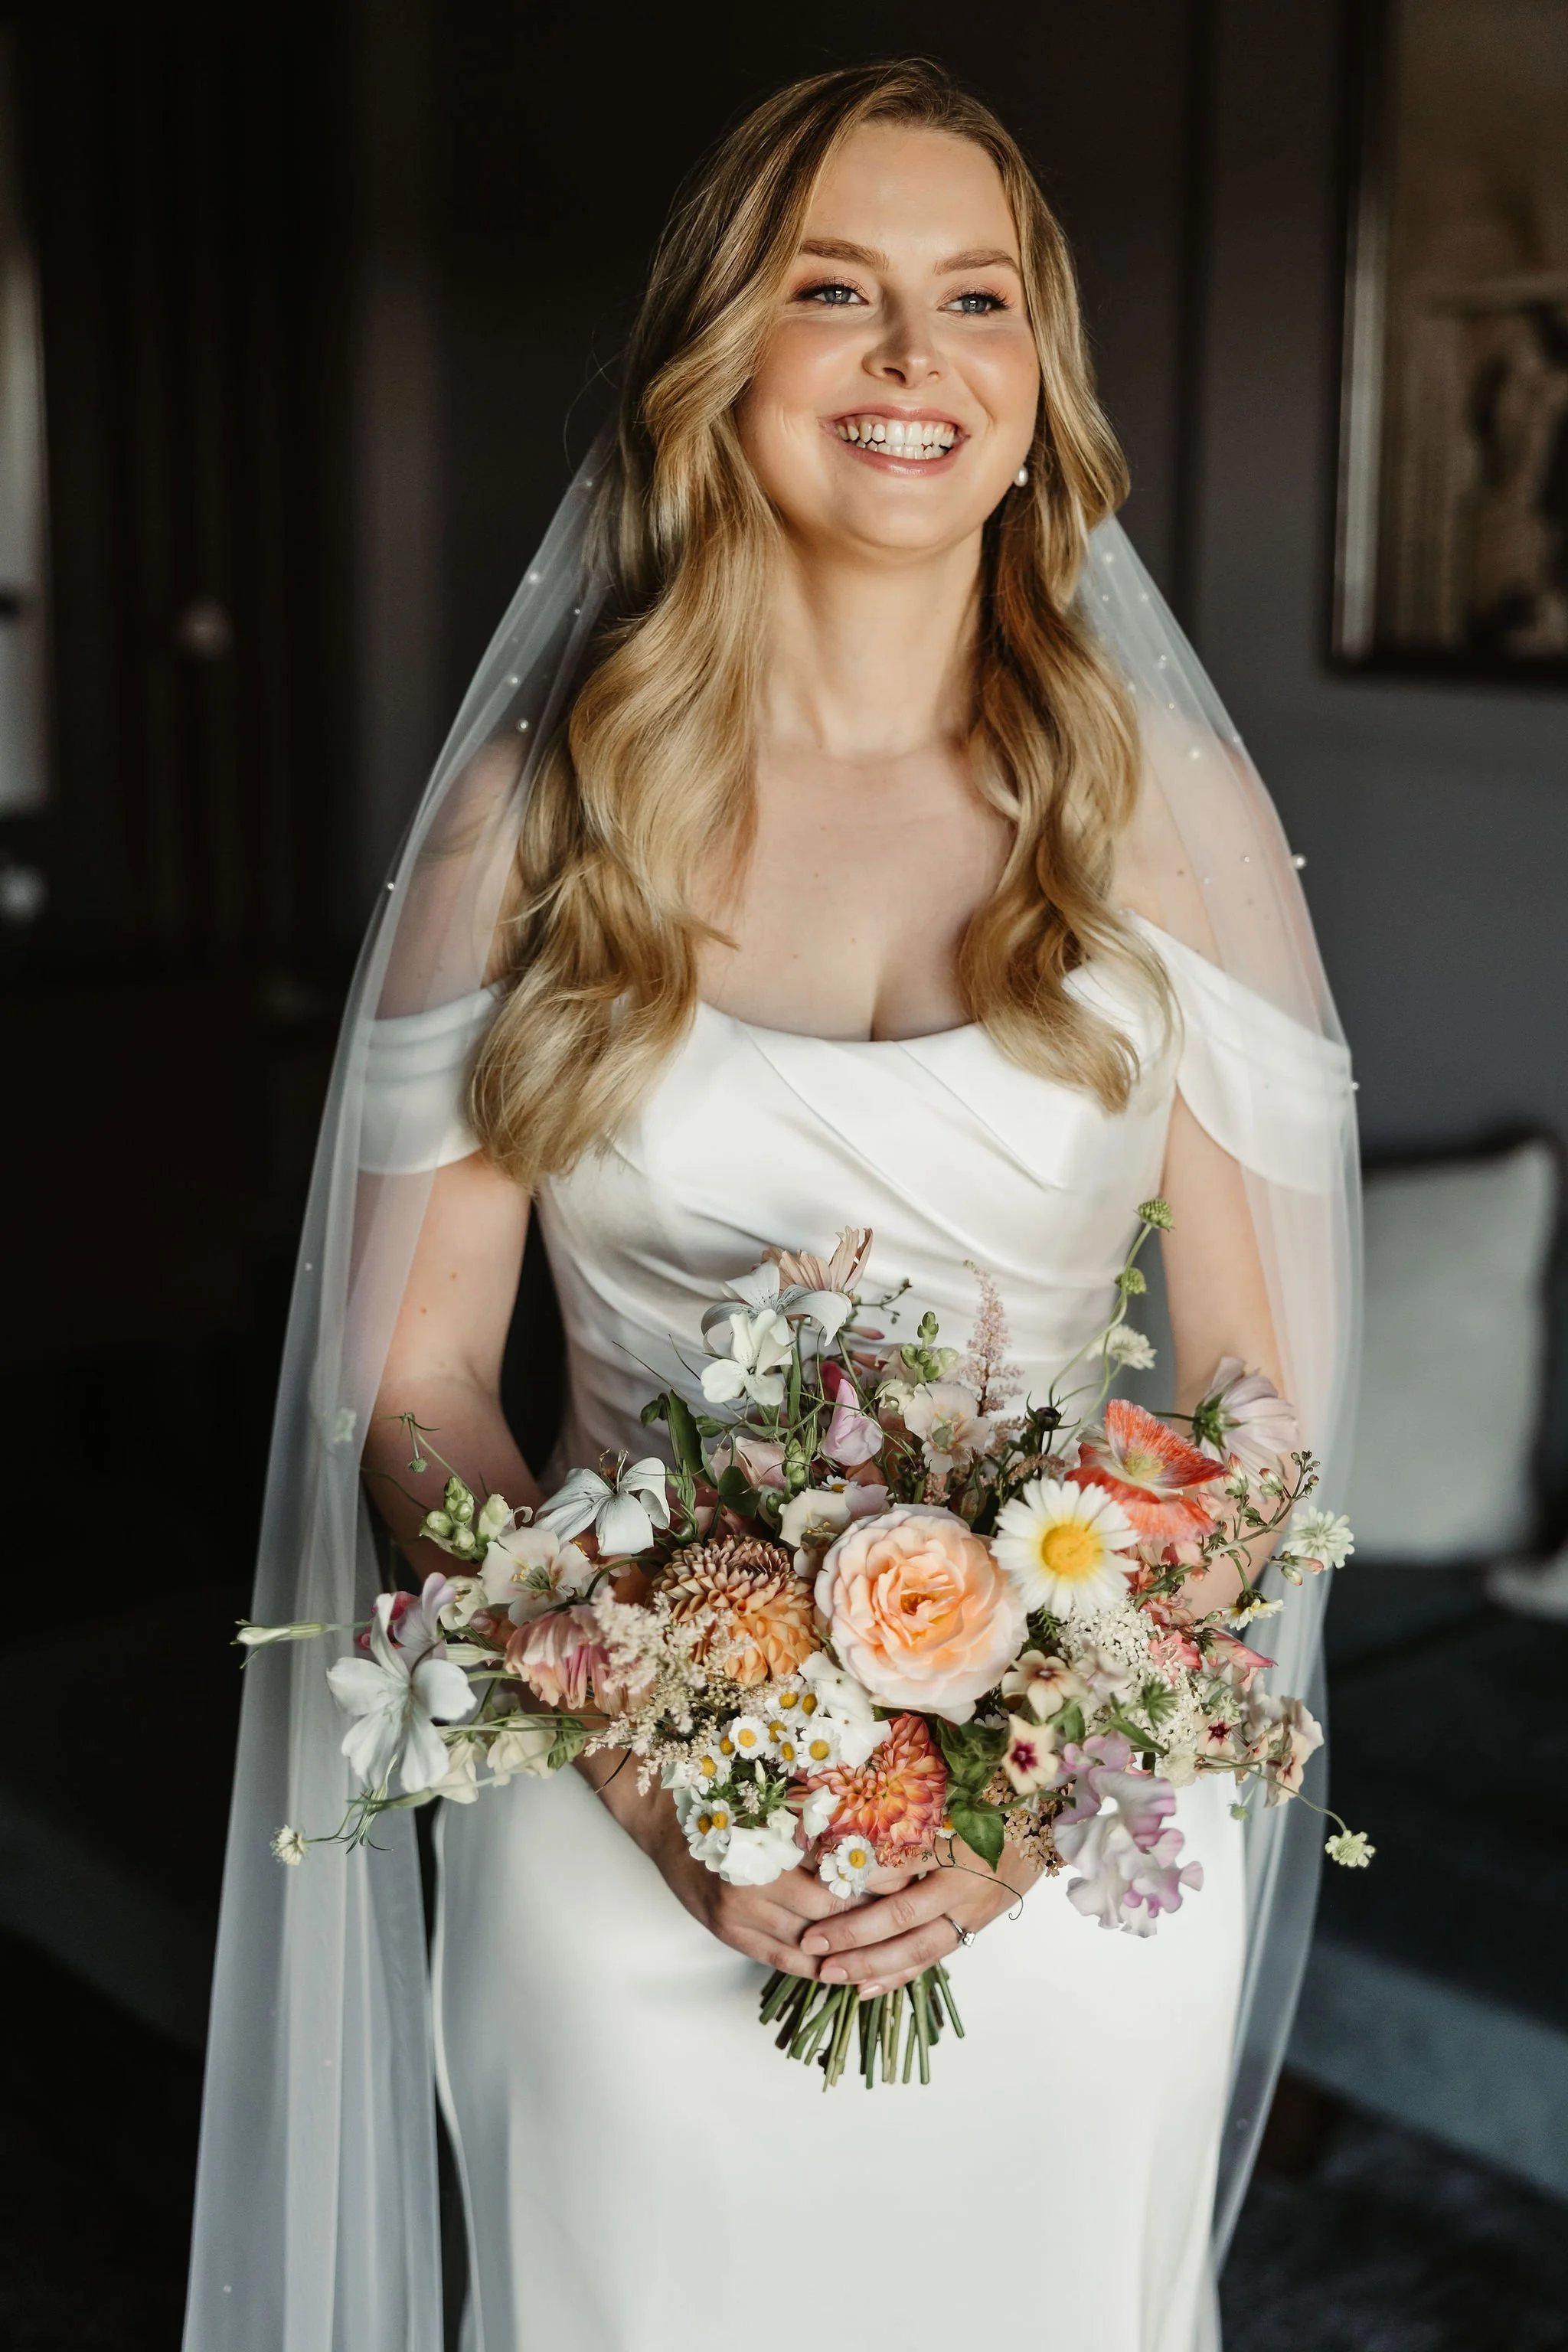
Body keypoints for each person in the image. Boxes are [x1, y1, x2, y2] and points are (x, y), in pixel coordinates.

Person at [183, 59, 1357, 2352]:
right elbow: (415, 1378)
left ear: (1038, 394)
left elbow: (1258, 1395)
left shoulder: (1167, 814)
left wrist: (1026, 1804)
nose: (915, 357)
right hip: (622, 1858)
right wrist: (643, 1754)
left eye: (976, 299)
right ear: (725, 362)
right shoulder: (541, 824)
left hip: (1069, 1871)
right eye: (838, 290)